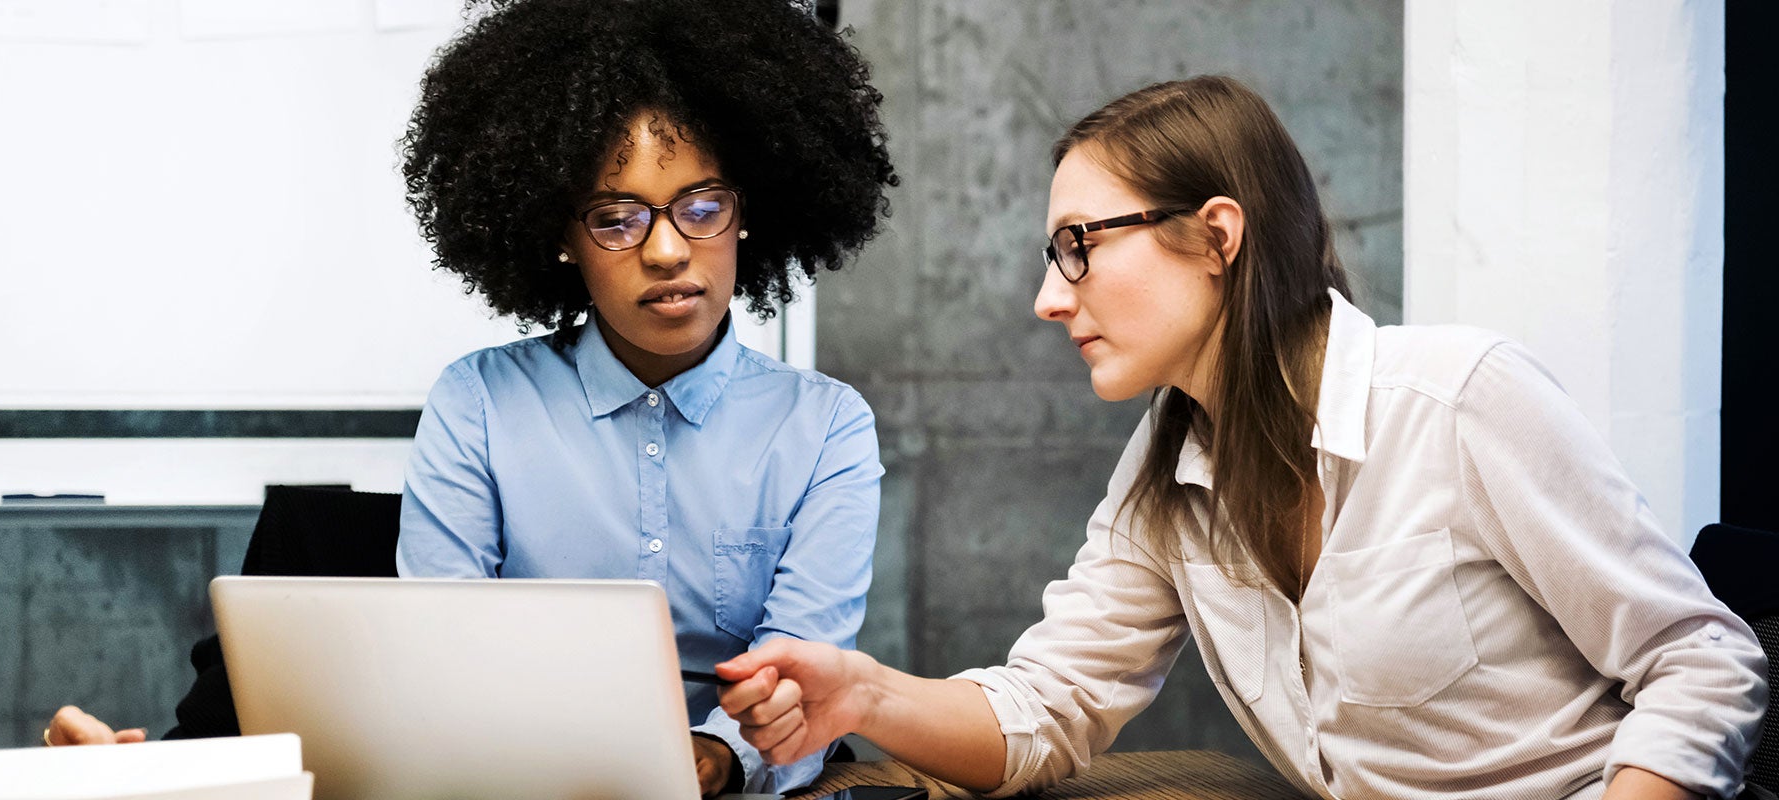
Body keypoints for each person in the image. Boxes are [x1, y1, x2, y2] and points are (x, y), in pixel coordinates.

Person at [714, 75, 1767, 800]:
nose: (1048, 295)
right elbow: (1049, 706)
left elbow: (1706, 659)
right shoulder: (1166, 472)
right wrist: (864, 691)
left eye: (1077, 246)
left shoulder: (1457, 399)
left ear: (1216, 235)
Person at [50, 0, 896, 796]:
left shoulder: (825, 428)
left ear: (748, 215)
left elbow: (806, 680)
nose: (670, 250)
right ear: (560, 238)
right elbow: (438, 672)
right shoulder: (480, 403)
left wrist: (712, 757)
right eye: (616, 218)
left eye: (702, 207)